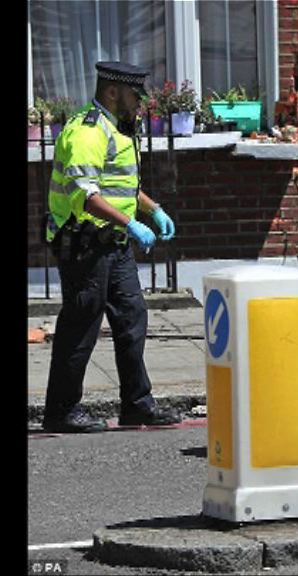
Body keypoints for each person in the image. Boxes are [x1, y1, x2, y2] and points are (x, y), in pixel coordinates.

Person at [42, 61, 182, 433]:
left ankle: (137, 405)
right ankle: (61, 410)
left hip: (114, 245)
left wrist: (153, 210)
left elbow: (121, 188)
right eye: (136, 96)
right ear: (112, 92)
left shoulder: (117, 129)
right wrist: (131, 223)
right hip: (84, 244)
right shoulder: (87, 132)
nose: (140, 104)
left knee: (132, 318)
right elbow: (86, 196)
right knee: (81, 325)